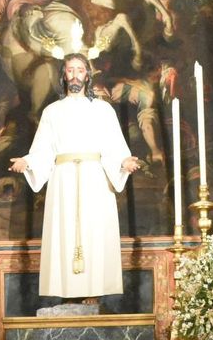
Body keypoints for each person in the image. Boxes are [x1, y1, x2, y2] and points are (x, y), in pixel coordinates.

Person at [11, 53, 140, 305]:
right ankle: (67, 291)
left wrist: (123, 161)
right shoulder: (52, 111)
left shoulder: (102, 109)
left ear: (87, 75)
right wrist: (28, 162)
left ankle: (93, 290)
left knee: (94, 231)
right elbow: (43, 149)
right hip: (63, 179)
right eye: (70, 70)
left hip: (95, 178)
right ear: (64, 75)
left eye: (80, 70)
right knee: (64, 232)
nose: (75, 75)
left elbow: (113, 144)